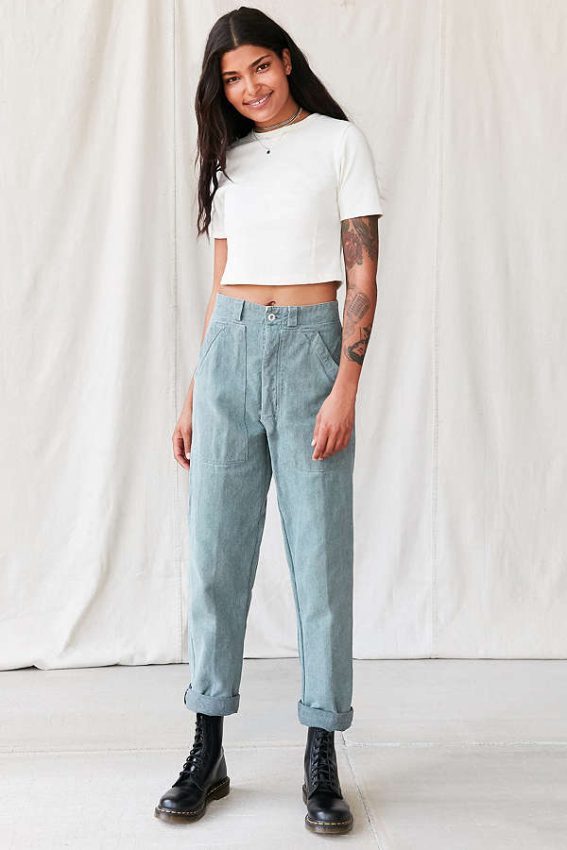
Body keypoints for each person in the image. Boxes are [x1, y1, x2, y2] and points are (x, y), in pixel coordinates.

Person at [155, 6, 383, 835]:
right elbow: (220, 282)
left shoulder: (337, 142)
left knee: (319, 560)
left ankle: (320, 753)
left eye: (258, 66)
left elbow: (361, 275)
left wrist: (345, 386)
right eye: (230, 77)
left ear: (285, 61)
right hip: (229, 349)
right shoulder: (228, 160)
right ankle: (206, 748)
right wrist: (193, 394)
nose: (248, 87)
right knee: (214, 559)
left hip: (311, 351)